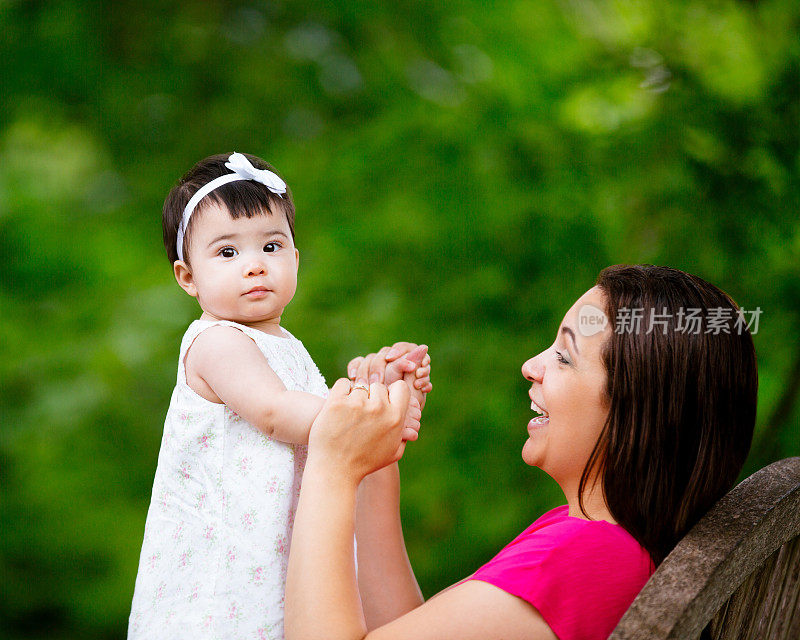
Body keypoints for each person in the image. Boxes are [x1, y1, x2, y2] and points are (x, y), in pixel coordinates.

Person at [285, 264, 758, 640]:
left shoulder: (587, 559)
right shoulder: (593, 541)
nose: (531, 366)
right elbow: (405, 630)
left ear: (638, 411)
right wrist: (375, 461)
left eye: (564, 357)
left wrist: (332, 464)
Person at [128, 152, 433, 640]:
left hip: (272, 554)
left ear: (294, 259)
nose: (254, 266)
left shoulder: (284, 346)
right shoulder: (216, 343)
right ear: (188, 277)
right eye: (228, 253)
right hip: (219, 578)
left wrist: (375, 393)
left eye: (271, 246)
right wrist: (367, 414)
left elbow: (317, 431)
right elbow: (274, 414)